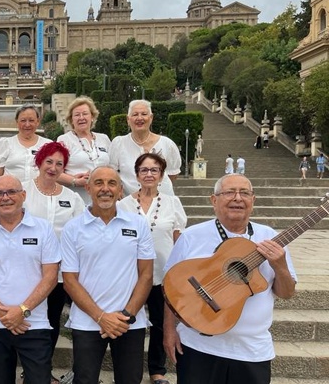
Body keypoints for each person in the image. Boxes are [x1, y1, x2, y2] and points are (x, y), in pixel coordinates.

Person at [163, 174, 297, 384]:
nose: (237, 198)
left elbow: (287, 293)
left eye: (244, 193)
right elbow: (172, 288)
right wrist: (169, 331)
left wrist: (280, 267)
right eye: (229, 192)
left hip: (252, 350)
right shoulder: (191, 236)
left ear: (253, 200)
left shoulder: (270, 237)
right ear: (214, 200)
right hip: (199, 346)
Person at [61, 166, 155, 384]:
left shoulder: (138, 224)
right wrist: (101, 317)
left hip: (130, 322)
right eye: (99, 183)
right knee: (84, 380)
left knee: (130, 380)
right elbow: (69, 280)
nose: (105, 189)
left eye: (112, 183)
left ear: (120, 190)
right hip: (87, 321)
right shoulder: (73, 228)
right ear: (88, 188)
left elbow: (146, 275)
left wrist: (125, 316)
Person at [0, 175, 61, 384]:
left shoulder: (43, 229)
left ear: (23, 195)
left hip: (33, 323)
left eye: (11, 192)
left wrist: (21, 311)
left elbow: (51, 276)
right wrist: (6, 315)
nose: (5, 198)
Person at [117, 153, 186, 384]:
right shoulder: (122, 205)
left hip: (162, 272)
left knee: (160, 322)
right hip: (130, 275)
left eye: (154, 170)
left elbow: (178, 239)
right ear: (136, 175)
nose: (149, 174)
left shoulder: (172, 203)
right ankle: (127, 368)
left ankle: (157, 370)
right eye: (144, 170)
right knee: (129, 321)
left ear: (162, 175)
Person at [23, 142, 85, 383]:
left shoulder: (71, 198)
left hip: (58, 274)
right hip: (27, 271)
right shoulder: (23, 191)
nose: (53, 167)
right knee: (27, 320)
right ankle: (28, 368)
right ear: (40, 162)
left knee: (50, 321)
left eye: (59, 164)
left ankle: (43, 370)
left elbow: (79, 233)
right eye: (49, 161)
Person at [110, 100, 181, 196]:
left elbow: (173, 174)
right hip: (130, 204)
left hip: (163, 203)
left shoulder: (167, 144)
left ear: (151, 118)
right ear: (128, 119)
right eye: (135, 114)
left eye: (144, 114)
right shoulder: (118, 143)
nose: (139, 118)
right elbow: (112, 173)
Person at [56, 97, 111, 204]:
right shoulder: (64, 140)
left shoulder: (104, 138)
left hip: (103, 199)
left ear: (92, 117)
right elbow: (56, 173)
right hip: (76, 198)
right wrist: (75, 181)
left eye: (85, 114)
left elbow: (112, 168)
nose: (81, 118)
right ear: (71, 120)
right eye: (77, 115)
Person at [0, 104, 50, 183]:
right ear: (17, 122)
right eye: (23, 120)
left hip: (39, 191)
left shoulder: (47, 144)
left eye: (31, 120)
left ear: (37, 122)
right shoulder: (6, 143)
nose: (27, 124)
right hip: (11, 191)